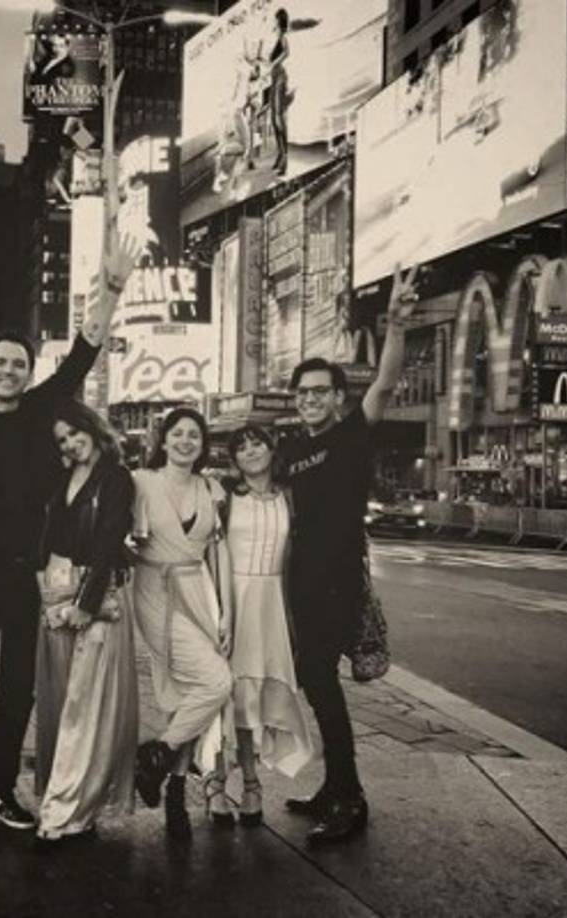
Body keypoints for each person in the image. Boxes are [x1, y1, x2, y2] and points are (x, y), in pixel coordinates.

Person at [0, 224, 142, 857]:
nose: (8, 371)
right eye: (0, 363)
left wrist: (111, 286)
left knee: (19, 688)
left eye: (18, 365)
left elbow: (85, 350)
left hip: (28, 578)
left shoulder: (40, 409)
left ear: (28, 374)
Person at [282, 263, 418, 846]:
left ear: (338, 398)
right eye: (303, 392)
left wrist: (398, 323)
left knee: (323, 685)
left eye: (321, 392)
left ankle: (350, 797)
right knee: (315, 687)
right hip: (295, 586)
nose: (311, 399)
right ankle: (334, 787)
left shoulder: (351, 435)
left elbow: (386, 383)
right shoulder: (290, 449)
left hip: (335, 585)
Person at [33, 400, 137, 847]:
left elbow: (110, 540)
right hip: (53, 596)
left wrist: (87, 602)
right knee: (61, 704)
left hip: (92, 600)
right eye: (62, 439)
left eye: (76, 433)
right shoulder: (60, 477)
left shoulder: (116, 478)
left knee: (85, 706)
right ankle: (79, 809)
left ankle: (60, 815)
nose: (72, 443)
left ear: (92, 429)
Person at [131, 407, 234, 841]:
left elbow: (219, 553)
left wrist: (226, 608)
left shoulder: (213, 489)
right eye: (178, 433)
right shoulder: (140, 482)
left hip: (200, 591)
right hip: (154, 589)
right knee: (215, 681)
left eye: (194, 434)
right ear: (165, 439)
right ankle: (158, 754)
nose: (186, 441)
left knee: (188, 696)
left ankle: (173, 789)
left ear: (202, 443)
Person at [209, 424, 314, 827]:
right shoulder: (224, 497)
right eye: (242, 447)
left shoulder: (290, 496)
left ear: (272, 449)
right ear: (233, 459)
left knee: (260, 699)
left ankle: (252, 783)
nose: (250, 451)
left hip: (272, 604)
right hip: (230, 600)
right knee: (227, 696)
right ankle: (218, 783)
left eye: (257, 444)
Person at [268, 8, 291, 176]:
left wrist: (273, 63)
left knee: (278, 118)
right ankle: (280, 154)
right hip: (273, 79)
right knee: (273, 118)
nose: (273, 21)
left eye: (276, 19)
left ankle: (285, 158)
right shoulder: (275, 36)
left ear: (279, 20)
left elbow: (287, 52)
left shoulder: (283, 35)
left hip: (280, 77)